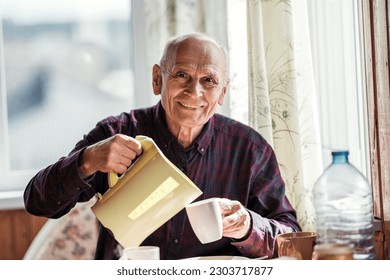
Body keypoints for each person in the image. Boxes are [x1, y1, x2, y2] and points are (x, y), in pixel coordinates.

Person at [24, 33, 301, 260]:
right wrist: (86, 161)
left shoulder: (249, 149)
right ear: (157, 79)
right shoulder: (117, 132)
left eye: (209, 80)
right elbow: (37, 201)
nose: (194, 92)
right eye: (181, 75)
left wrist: (248, 227)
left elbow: (292, 239)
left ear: (222, 94)